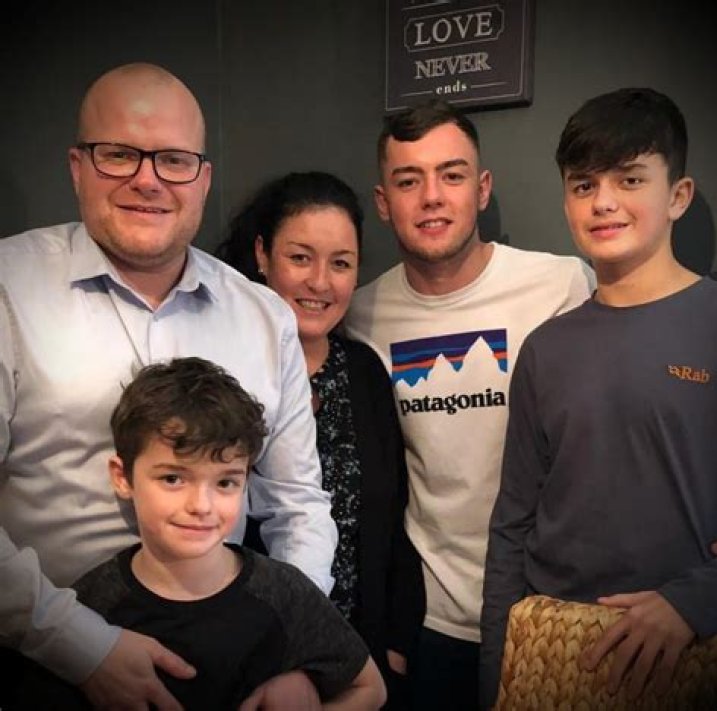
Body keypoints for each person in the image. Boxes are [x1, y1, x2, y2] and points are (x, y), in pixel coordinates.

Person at [0, 62, 336, 710]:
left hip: (228, 671)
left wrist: (290, 646)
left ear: (203, 178)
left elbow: (297, 502)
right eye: (119, 154)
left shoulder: (264, 316)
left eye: (174, 160)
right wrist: (82, 645)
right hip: (40, 666)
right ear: (77, 166)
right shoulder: (8, 289)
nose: (148, 179)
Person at [344, 99, 595, 710]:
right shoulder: (360, 313)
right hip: (429, 624)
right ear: (384, 202)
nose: (432, 197)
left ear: (482, 189)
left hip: (548, 611)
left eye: (451, 175)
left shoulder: (561, 285)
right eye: (409, 180)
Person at [478, 87, 717, 707]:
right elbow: (513, 525)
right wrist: (496, 674)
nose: (604, 201)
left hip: (686, 659)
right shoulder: (545, 348)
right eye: (584, 185)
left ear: (678, 196)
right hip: (553, 655)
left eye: (630, 179)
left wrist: (695, 600)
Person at [13, 357, 386, 710]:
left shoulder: (286, 592)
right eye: (173, 478)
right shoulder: (88, 608)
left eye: (225, 482)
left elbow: (370, 689)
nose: (201, 505)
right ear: (122, 477)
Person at [216, 171, 425, 709]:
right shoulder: (223, 374)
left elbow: (394, 516)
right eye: (300, 258)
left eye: (341, 263)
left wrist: (394, 645)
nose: (320, 282)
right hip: (247, 659)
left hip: (358, 658)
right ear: (262, 256)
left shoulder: (364, 371)